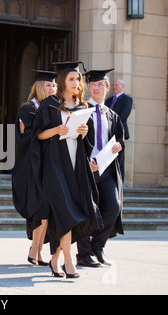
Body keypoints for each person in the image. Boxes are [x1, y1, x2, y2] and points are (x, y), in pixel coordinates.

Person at [33, 61, 103, 278]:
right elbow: (37, 135)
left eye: (78, 79)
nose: (76, 82)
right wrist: (55, 129)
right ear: (62, 81)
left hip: (76, 164)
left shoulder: (82, 107)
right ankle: (68, 260)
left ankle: (54, 259)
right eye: (72, 78)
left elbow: (86, 141)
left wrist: (83, 132)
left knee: (70, 211)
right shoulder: (50, 104)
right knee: (65, 210)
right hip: (54, 165)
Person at [76, 69, 125, 267]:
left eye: (100, 85)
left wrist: (118, 146)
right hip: (87, 168)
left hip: (106, 169)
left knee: (113, 206)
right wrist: (86, 159)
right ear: (89, 87)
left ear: (107, 88)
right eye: (93, 85)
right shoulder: (82, 110)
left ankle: (98, 246)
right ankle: (83, 253)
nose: (96, 88)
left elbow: (119, 140)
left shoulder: (112, 115)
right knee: (87, 210)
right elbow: (74, 141)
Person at [12, 70, 57, 266]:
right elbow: (25, 138)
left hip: (48, 165)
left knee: (46, 209)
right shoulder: (27, 109)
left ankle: (36, 251)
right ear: (39, 87)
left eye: (54, 86)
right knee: (40, 208)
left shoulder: (54, 109)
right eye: (48, 85)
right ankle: (34, 250)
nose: (52, 89)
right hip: (31, 165)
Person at [105, 79, 132, 181]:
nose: (114, 87)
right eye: (113, 85)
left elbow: (123, 116)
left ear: (122, 86)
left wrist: (111, 124)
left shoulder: (127, 100)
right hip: (107, 133)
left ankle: (119, 180)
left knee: (119, 159)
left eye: (116, 85)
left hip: (118, 133)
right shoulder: (108, 100)